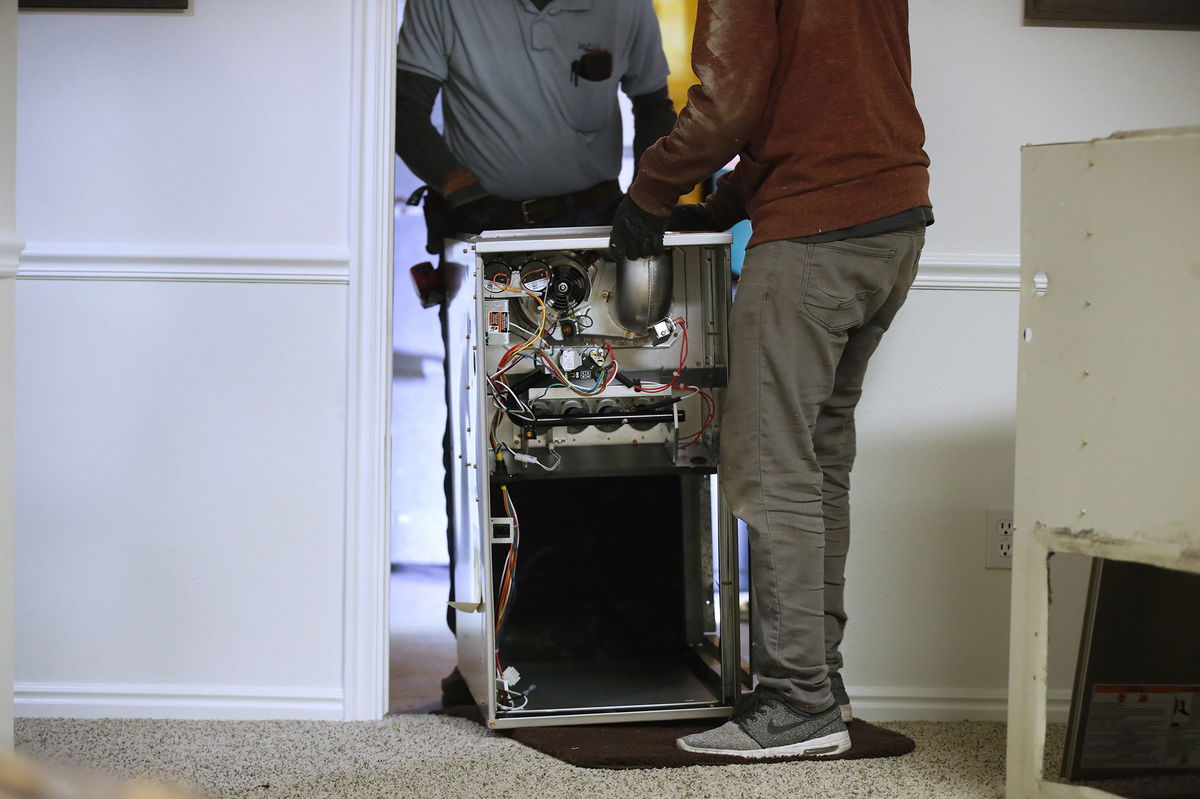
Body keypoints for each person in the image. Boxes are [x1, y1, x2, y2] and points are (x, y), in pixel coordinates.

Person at [610, 0, 932, 758]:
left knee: (768, 463)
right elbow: (827, 101)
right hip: (891, 225)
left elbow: (729, 106)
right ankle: (821, 682)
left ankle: (795, 701)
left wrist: (650, 190)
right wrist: (718, 205)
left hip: (815, 238)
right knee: (818, 464)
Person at [394, 0, 676, 706]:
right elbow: (402, 109)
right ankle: (488, 650)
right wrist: (463, 189)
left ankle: (614, 641)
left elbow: (653, 106)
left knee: (605, 419)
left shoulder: (623, 5)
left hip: (594, 231)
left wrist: (650, 198)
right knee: (480, 437)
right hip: (485, 238)